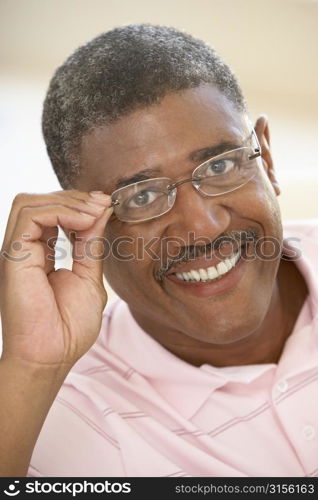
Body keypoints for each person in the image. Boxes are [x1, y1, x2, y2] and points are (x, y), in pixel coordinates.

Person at [0, 24, 317, 478]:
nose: (202, 227)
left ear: (265, 157)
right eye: (141, 197)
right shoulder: (57, 421)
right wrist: (30, 365)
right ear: (82, 226)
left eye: (221, 165)